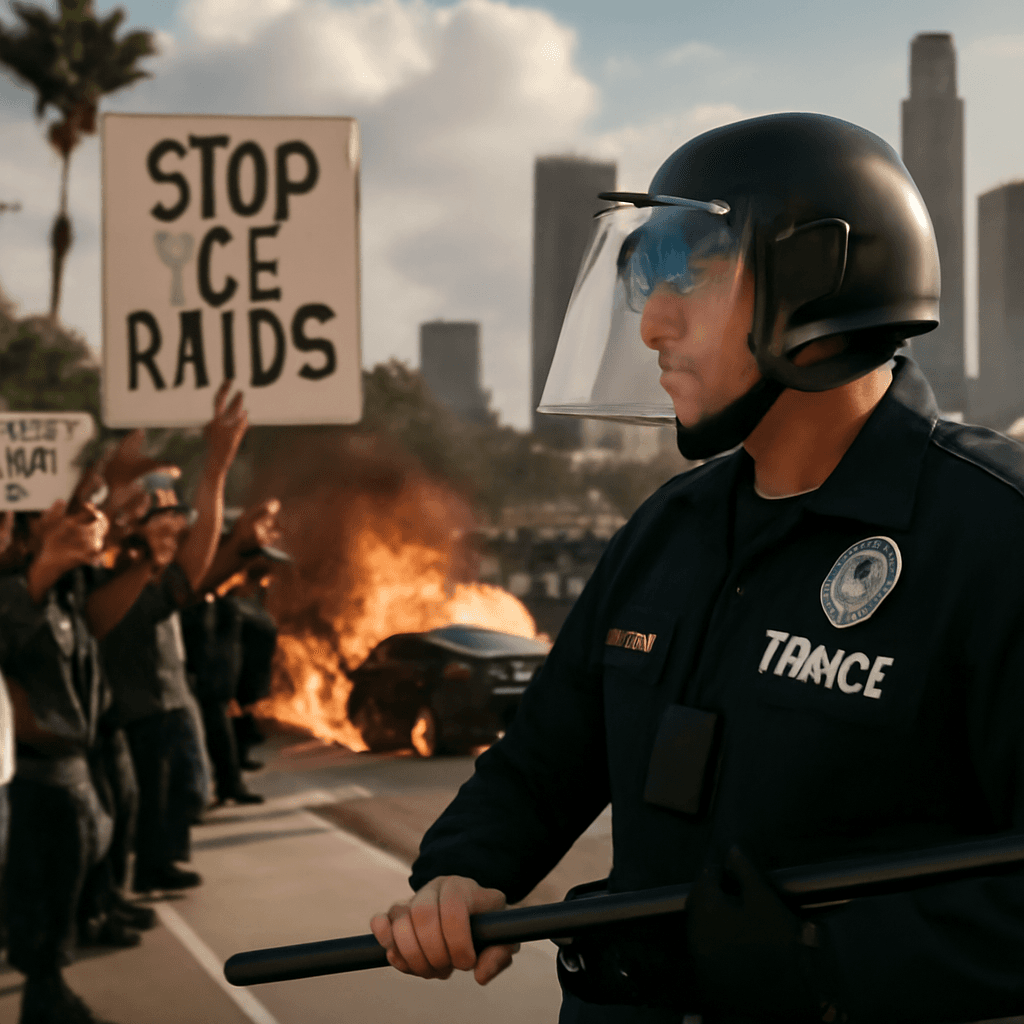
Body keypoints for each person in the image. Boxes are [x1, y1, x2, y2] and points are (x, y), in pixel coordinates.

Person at [370, 113, 1024, 1023]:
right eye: (646, 281)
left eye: (694, 272)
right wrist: (462, 867)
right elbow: (546, 756)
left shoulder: (992, 537)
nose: (652, 326)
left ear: (816, 278)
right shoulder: (669, 529)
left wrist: (823, 961)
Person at [94, 382, 247, 893]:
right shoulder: (108, 585)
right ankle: (113, 892)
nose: (173, 526)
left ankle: (153, 868)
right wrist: (215, 468)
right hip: (126, 716)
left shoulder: (148, 580)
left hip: (164, 705)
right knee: (132, 806)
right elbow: (190, 573)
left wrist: (217, 469)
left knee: (175, 792)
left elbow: (190, 571)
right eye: (158, 518)